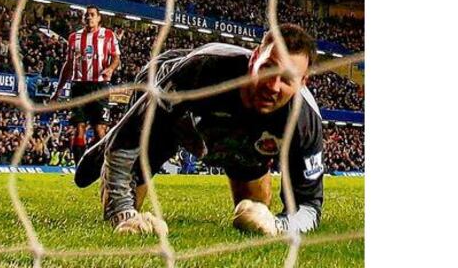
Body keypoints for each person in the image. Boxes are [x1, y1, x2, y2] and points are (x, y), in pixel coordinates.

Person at [74, 24, 324, 238]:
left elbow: (309, 208)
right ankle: (106, 149)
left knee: (255, 215)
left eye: (287, 78)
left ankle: (104, 146)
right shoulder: (203, 70)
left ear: (303, 82)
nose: (273, 85)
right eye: (268, 68)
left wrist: (279, 225)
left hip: (236, 137)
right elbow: (127, 142)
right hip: (170, 105)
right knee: (130, 201)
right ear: (254, 58)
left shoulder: (305, 120)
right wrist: (122, 213)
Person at [51, 6, 121, 157]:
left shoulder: (108, 35)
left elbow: (116, 58)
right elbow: (69, 64)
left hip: (100, 86)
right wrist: (58, 91)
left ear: (98, 18)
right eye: (86, 15)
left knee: (99, 129)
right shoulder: (73, 38)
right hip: (79, 86)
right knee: (79, 127)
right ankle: (79, 171)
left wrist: (110, 69)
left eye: (92, 15)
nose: (88, 17)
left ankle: (100, 167)